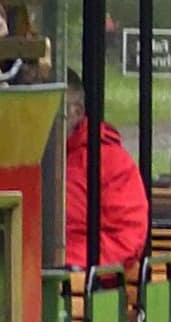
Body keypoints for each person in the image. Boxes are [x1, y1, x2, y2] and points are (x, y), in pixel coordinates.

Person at [62, 114, 151, 272]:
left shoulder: (111, 160)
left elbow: (126, 235)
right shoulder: (36, 156)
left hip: (83, 270)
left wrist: (73, 262)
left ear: (76, 111)